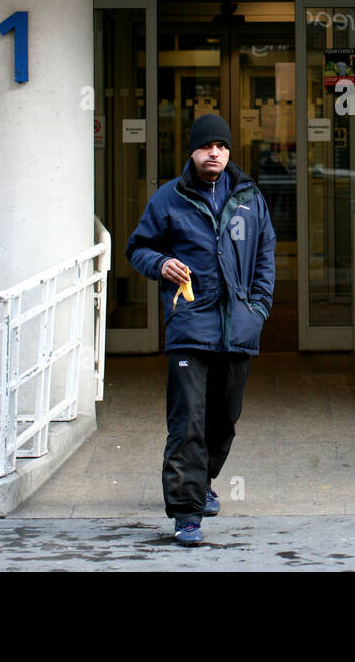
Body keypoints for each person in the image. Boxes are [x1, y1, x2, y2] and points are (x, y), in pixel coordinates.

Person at [126, 113, 276, 545]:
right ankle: (187, 512)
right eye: (207, 146)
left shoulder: (249, 197)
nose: (215, 152)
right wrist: (160, 264)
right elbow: (138, 248)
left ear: (229, 152)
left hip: (238, 328)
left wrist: (259, 307)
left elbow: (265, 252)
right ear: (192, 151)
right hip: (190, 323)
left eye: (222, 146)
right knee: (187, 421)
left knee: (224, 418)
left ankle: (203, 479)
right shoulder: (168, 199)